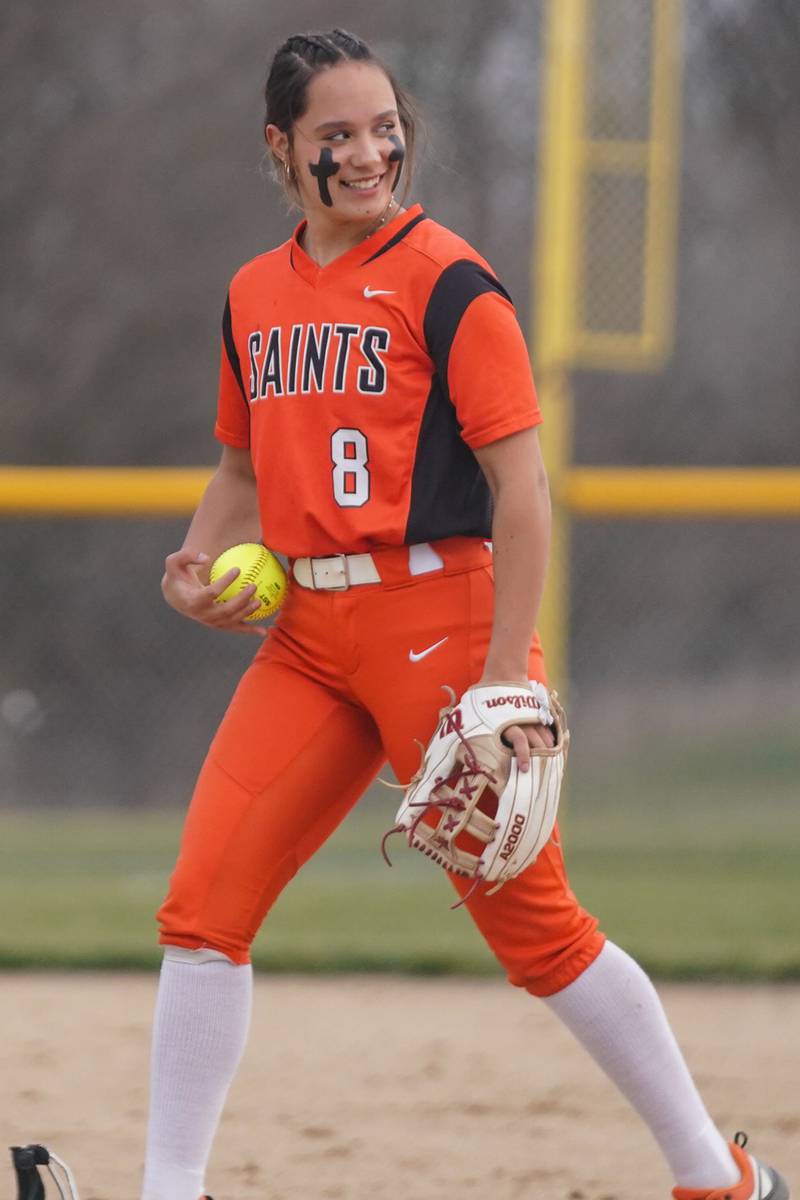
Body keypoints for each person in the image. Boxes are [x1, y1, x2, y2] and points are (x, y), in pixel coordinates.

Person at [148, 28, 788, 1200]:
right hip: (303, 641)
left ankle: (717, 1177)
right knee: (201, 909)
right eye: (333, 134)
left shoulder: (450, 283)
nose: (365, 152)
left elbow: (522, 494)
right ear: (279, 147)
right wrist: (195, 560)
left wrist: (508, 681)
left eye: (381, 127)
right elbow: (239, 471)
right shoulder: (252, 291)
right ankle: (169, 1188)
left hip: (440, 625)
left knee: (535, 932)